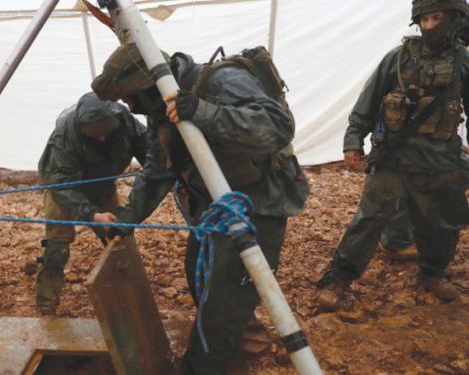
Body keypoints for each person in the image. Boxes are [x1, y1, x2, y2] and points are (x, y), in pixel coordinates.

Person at [91, 44, 308, 374]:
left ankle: (205, 364)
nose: (130, 106)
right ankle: (244, 336)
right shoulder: (160, 109)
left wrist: (203, 112)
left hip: (258, 204)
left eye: (131, 97)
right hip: (214, 206)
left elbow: (277, 126)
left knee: (222, 304)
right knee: (199, 272)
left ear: (150, 83)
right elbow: (157, 170)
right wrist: (127, 218)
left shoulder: (223, 81)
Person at [316, 0, 469, 310]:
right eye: (424, 19)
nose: (428, 26)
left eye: (436, 18)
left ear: (454, 20)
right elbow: (368, 101)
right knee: (369, 219)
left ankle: (433, 273)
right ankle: (338, 279)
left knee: (439, 225)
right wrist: (353, 140)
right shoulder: (399, 58)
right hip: (393, 159)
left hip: (439, 162)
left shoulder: (462, 63)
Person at [35, 92, 148, 315]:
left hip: (102, 184)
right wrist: (92, 215)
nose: (102, 139)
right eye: (95, 135)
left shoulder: (126, 123)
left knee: (118, 236)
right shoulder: (65, 134)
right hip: (64, 189)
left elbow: (151, 153)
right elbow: (60, 183)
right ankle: (46, 306)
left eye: (106, 133)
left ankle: (133, 297)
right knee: (56, 246)